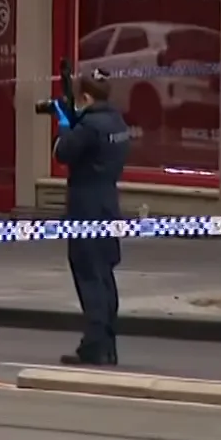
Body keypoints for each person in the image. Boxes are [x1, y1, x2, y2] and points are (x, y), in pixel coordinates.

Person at [50, 69, 131, 367]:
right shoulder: (117, 122)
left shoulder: (89, 126)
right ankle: (108, 342)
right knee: (105, 273)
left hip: (86, 205)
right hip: (109, 202)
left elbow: (62, 152)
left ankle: (95, 344)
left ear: (85, 97)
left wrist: (64, 122)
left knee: (88, 274)